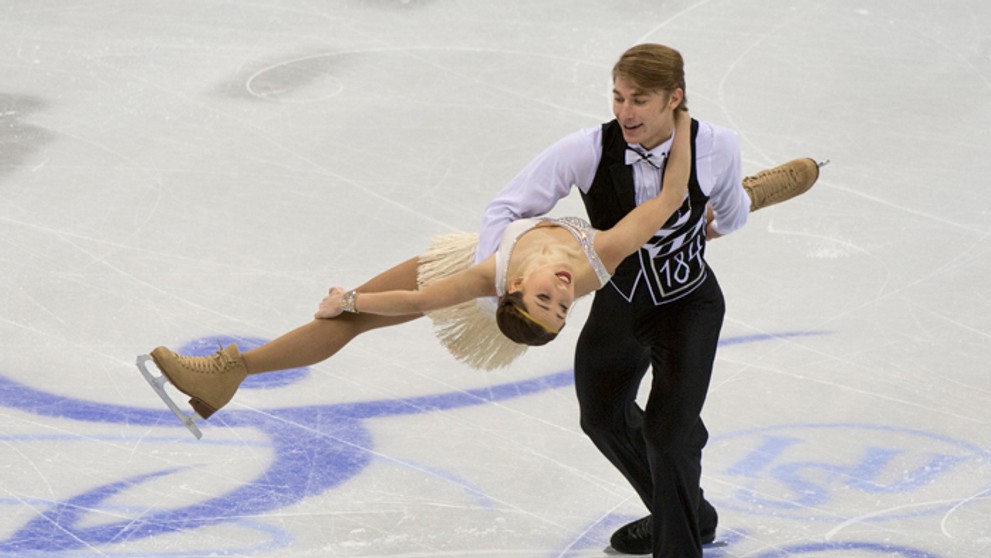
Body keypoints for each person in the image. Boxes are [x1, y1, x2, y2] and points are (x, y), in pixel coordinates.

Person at [473, 43, 820, 557]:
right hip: (622, 299)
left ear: (673, 98)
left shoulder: (717, 146)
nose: (624, 112)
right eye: (617, 97)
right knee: (602, 413)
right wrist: (503, 272)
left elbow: (731, 215)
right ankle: (686, 511)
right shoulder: (587, 149)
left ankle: (677, 539)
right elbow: (507, 206)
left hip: (688, 305)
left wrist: (699, 228)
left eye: (639, 100)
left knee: (667, 436)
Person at [142, 107, 695, 423]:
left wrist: (351, 300)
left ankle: (228, 372)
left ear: (519, 289)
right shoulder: (593, 257)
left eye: (550, 305)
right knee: (348, 320)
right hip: (486, 262)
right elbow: (669, 200)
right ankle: (229, 377)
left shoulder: (493, 278)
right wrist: (683, 123)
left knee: (347, 320)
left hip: (478, 274)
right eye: (559, 305)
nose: (563, 294)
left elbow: (421, 300)